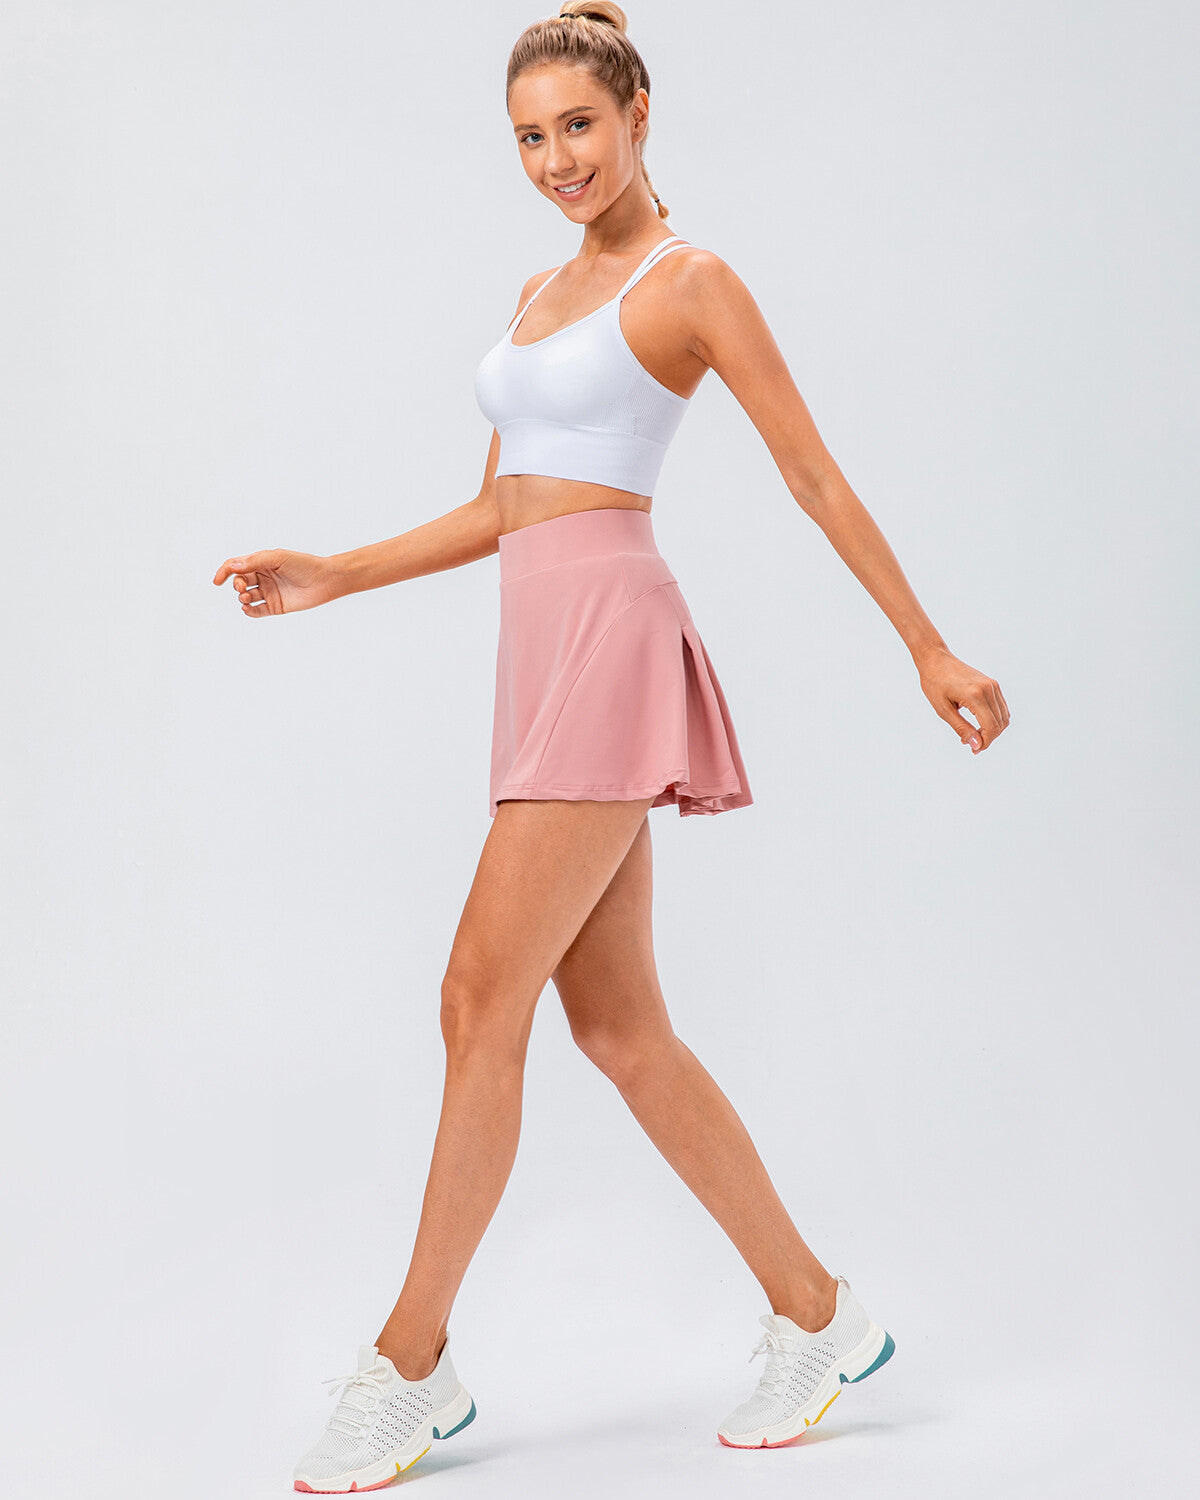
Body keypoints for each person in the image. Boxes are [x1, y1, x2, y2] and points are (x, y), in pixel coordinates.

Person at [213, 4, 1010, 1490]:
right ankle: (820, 1317)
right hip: (538, 649)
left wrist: (926, 645)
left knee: (477, 994)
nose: (555, 159)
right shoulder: (537, 290)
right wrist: (337, 572)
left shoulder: (687, 281)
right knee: (620, 1031)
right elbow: (504, 503)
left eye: (578, 124)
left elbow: (812, 475)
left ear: (640, 113)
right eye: (529, 137)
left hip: (613, 640)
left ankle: (411, 1364)